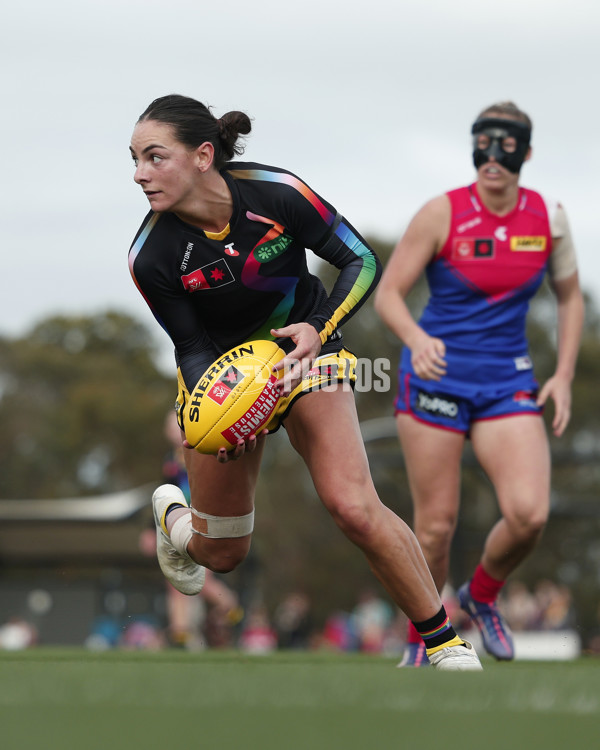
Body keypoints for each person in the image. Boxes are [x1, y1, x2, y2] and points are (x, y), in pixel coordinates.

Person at [127, 93, 482, 671]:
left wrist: (319, 327)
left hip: (308, 356)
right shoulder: (151, 255)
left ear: (203, 155)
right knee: (223, 554)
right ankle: (174, 520)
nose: (140, 174)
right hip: (223, 382)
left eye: (154, 157)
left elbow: (361, 260)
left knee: (354, 505)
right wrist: (224, 413)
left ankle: (443, 643)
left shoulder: (277, 194)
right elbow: (190, 346)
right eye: (135, 160)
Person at [374, 101, 584, 667]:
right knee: (435, 527)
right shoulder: (441, 213)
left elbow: (569, 297)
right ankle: (427, 643)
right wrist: (417, 340)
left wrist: (563, 374)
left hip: (506, 382)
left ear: (526, 153)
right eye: (482, 143)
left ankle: (481, 596)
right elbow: (388, 292)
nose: (492, 157)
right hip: (436, 380)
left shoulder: (549, 217)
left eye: (506, 144)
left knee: (529, 514)